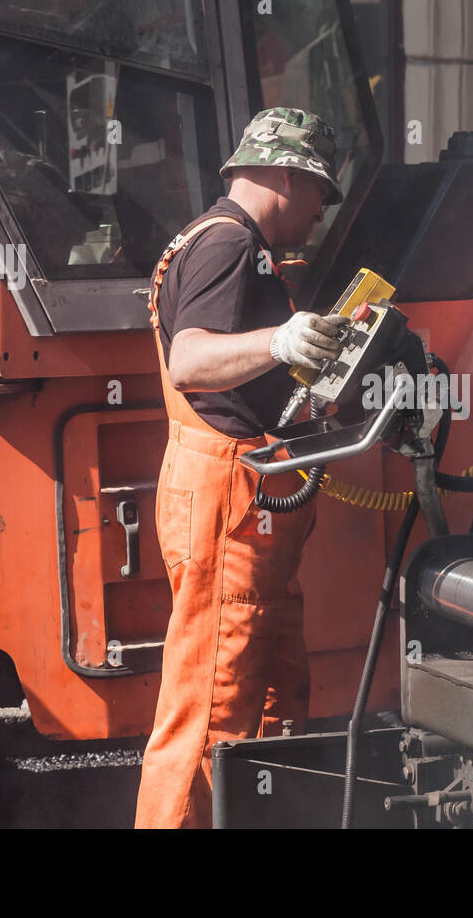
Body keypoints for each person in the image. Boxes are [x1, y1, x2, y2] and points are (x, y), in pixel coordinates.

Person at [136, 107, 347, 828]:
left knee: (268, 698)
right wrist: (285, 340)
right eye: (322, 192)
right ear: (289, 175)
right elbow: (191, 359)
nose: (321, 213)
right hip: (228, 498)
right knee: (210, 711)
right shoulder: (228, 243)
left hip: (245, 500)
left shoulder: (229, 243)